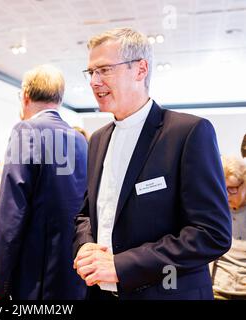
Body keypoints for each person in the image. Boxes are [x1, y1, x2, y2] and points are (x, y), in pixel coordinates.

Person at [73, 27, 232, 300]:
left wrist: (122, 266)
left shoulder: (188, 133)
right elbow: (87, 214)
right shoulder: (98, 140)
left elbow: (211, 233)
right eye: (91, 73)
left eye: (104, 70)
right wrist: (85, 245)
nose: (94, 82)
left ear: (140, 69)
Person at [0, 65, 88, 300]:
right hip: (73, 267)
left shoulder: (25, 130)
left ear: (25, 96)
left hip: (36, 274)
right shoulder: (80, 140)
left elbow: (12, 212)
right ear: (60, 98)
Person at [211, 155, 246, 299]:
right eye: (222, 188)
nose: (226, 195)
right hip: (217, 288)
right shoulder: (214, 209)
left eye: (232, 189)